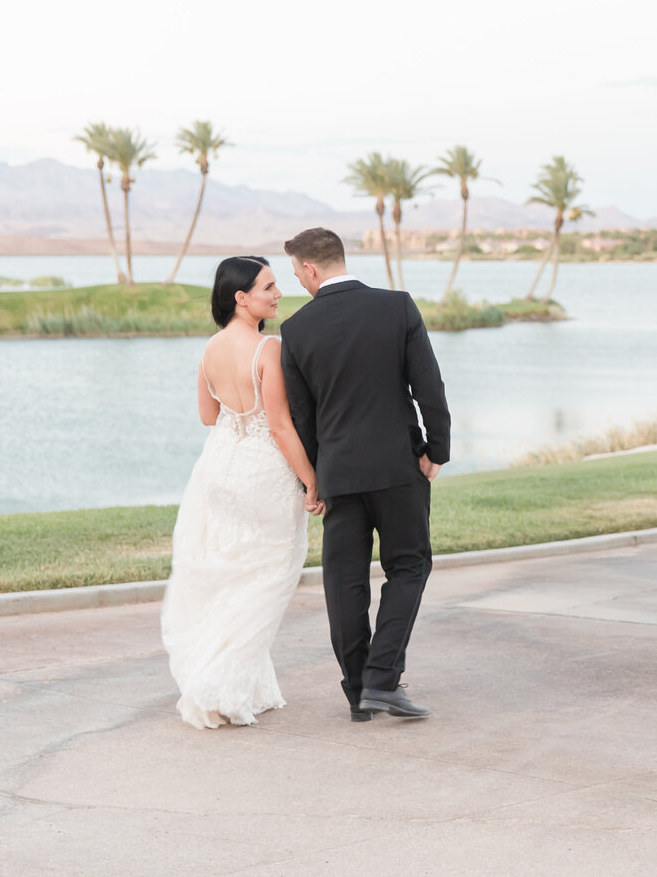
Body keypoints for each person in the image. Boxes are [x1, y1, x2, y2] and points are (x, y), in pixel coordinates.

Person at [278, 227, 451, 722]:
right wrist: (436, 449)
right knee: (410, 566)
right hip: (399, 465)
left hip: (338, 473)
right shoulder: (397, 307)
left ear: (310, 268)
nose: (298, 283)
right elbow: (429, 389)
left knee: (344, 579)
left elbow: (302, 417)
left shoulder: (296, 329)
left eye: (296, 273)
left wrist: (312, 478)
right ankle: (381, 680)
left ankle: (360, 690)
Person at [161, 256, 323, 730]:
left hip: (217, 469)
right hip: (262, 475)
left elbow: (209, 417)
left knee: (233, 574)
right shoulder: (267, 349)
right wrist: (312, 479)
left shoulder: (210, 347)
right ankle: (219, 682)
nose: (277, 294)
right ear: (241, 297)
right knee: (269, 574)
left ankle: (245, 682)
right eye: (269, 287)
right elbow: (279, 426)